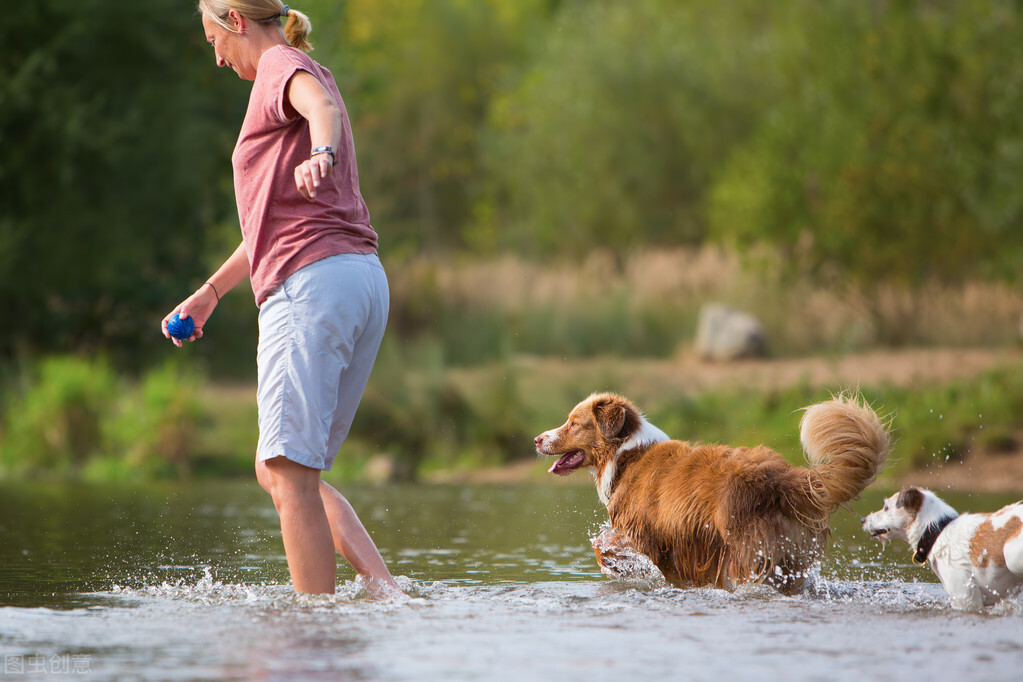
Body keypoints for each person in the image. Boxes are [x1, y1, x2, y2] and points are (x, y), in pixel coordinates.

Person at [163, 0, 402, 598]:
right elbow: (269, 222)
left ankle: (310, 637)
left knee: (289, 472)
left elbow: (320, 111)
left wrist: (323, 153)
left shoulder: (279, 66)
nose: (216, 58)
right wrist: (211, 292)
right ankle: (387, 593)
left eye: (212, 40)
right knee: (282, 469)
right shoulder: (295, 68)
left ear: (235, 23)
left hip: (312, 283)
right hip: (357, 277)